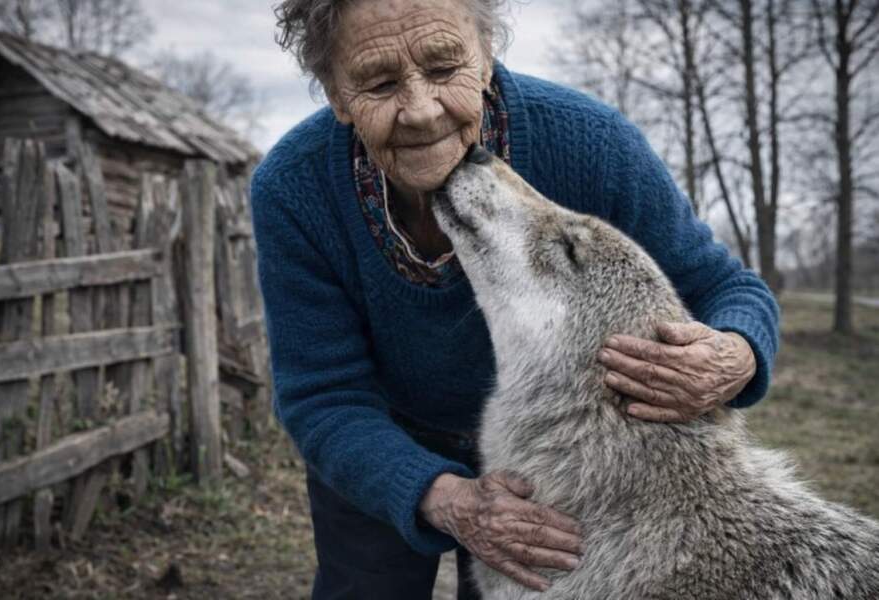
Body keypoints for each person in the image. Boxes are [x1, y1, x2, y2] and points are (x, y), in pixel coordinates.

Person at [252, 1, 780, 598]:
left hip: (548, 461)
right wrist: (446, 498)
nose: (423, 111)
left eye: (445, 67)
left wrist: (733, 355)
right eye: (379, 82)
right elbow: (322, 396)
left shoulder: (592, 142)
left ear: (485, 58)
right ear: (337, 96)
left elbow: (724, 288)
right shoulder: (294, 190)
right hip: (382, 440)